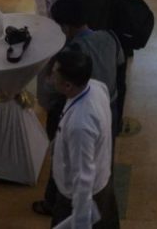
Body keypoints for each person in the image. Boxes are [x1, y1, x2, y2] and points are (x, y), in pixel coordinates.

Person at [34, 0, 123, 218]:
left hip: (73, 110)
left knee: (63, 157)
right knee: (102, 155)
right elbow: (120, 67)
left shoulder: (70, 55)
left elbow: (46, 94)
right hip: (109, 108)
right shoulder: (110, 38)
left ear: (65, 27)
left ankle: (52, 201)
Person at [49, 49, 120, 229]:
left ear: (68, 86)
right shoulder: (97, 87)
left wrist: (80, 221)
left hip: (80, 197)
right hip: (102, 180)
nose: (51, 77)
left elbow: (83, 177)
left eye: (54, 74)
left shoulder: (80, 125)